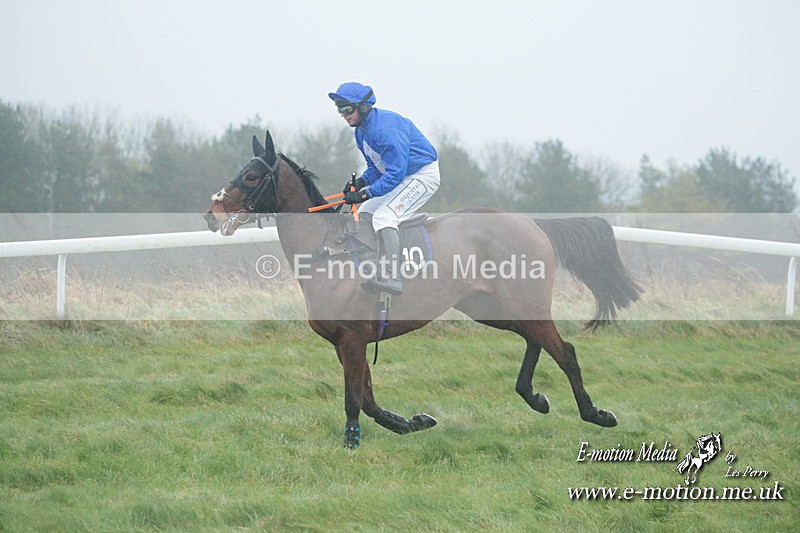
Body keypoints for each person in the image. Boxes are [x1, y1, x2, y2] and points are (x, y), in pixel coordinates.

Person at [328, 81, 440, 295]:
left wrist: (365, 193)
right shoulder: (361, 131)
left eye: (347, 109)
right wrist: (361, 182)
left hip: (422, 175)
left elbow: (395, 174)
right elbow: (376, 167)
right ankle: (374, 264)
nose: (343, 114)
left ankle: (392, 278)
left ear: (364, 107)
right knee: (366, 212)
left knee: (384, 217)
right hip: (402, 175)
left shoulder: (385, 130)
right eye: (340, 109)